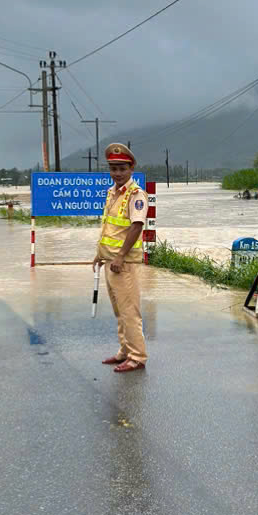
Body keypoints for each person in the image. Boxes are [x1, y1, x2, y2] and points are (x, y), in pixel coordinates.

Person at [93, 143, 147, 373]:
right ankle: (125, 351)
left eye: (121, 168)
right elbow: (110, 228)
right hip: (110, 262)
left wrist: (121, 256)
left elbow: (136, 227)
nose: (117, 173)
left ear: (131, 168)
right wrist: (100, 255)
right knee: (119, 311)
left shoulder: (136, 195)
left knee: (129, 311)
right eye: (113, 168)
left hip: (123, 264)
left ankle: (137, 356)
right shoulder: (112, 193)